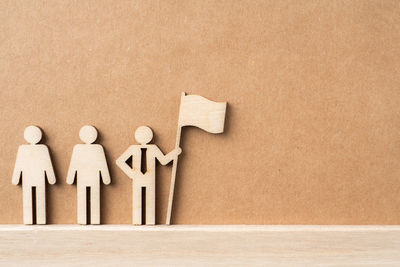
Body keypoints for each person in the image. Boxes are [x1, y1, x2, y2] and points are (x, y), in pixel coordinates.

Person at [116, 126, 181, 225]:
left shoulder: (153, 148)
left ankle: (150, 221)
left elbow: (163, 161)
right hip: (137, 178)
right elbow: (120, 161)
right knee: (137, 199)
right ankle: (137, 220)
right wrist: (131, 174)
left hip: (149, 179)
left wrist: (174, 153)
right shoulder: (133, 149)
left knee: (150, 200)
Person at [12, 126, 56, 224]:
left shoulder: (42, 149)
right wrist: (16, 178)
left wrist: (51, 177)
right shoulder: (24, 149)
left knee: (39, 197)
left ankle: (40, 219)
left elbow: (47, 164)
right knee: (29, 198)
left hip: (37, 178)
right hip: (30, 178)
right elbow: (19, 164)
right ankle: (30, 219)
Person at [66, 125, 111, 224]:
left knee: (93, 198)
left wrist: (105, 177)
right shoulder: (79, 148)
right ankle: (85, 219)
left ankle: (94, 219)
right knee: (84, 198)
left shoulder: (97, 148)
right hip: (85, 178)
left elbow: (102, 163)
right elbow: (74, 163)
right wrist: (70, 177)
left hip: (91, 178)